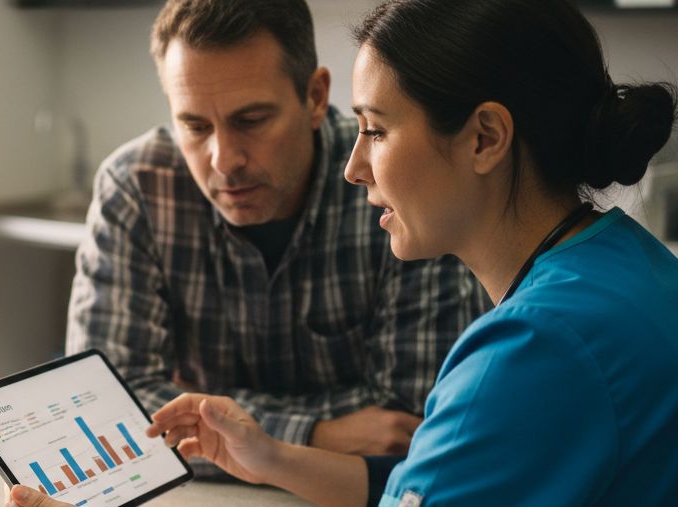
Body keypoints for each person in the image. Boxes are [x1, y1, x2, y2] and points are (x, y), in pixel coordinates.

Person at [7, 0, 678, 507]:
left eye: (375, 130)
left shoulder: (539, 345)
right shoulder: (618, 262)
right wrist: (276, 458)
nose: (355, 166)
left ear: (486, 137)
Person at [65, 0, 485, 461]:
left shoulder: (394, 180)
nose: (224, 160)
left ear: (315, 97)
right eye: (195, 125)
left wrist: (196, 405)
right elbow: (106, 409)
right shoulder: (136, 188)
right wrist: (317, 434)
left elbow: (406, 420)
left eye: (251, 121)